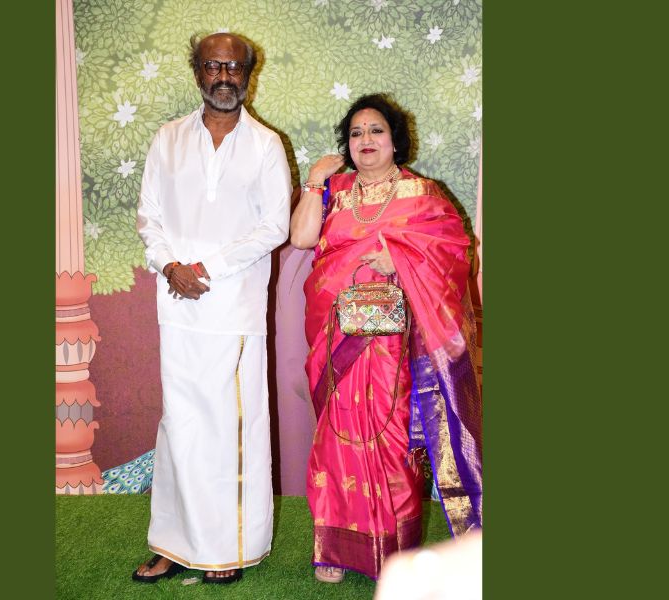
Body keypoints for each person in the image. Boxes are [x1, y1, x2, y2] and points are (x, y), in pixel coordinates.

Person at [289, 93, 482, 583]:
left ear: (395, 140)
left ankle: (392, 553)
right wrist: (316, 179)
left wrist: (403, 259)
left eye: (376, 130)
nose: (366, 140)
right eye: (356, 133)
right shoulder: (337, 190)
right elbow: (303, 238)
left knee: (392, 443)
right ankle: (334, 550)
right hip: (337, 337)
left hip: (396, 345)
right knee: (336, 439)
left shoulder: (422, 193)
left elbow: (455, 251)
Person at [133, 32, 291, 585]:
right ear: (197, 71)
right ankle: (173, 544)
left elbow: (274, 226)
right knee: (180, 425)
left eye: (234, 67)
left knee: (231, 427)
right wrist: (170, 266)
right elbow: (149, 217)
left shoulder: (266, 145)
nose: (224, 76)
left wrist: (205, 268)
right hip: (178, 306)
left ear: (249, 73)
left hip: (235, 310)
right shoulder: (167, 138)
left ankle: (227, 548)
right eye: (213, 66)